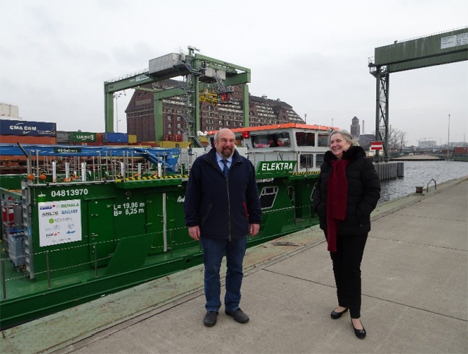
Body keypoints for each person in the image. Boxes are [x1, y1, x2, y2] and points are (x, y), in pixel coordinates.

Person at [184, 128, 261, 328]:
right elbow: (192, 196)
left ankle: (233, 306)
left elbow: (253, 195)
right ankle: (212, 307)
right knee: (212, 271)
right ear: (215, 143)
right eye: (223, 140)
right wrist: (192, 223)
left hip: (238, 228)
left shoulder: (244, 165)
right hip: (211, 229)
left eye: (231, 140)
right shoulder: (202, 164)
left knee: (236, 270)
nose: (228, 144)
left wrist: (255, 220)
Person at [312, 130, 380, 339]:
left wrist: (359, 213)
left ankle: (356, 316)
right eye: (332, 142)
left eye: (338, 141)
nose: (334, 144)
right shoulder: (328, 165)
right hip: (332, 226)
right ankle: (343, 303)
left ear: (349, 143)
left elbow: (373, 191)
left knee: (351, 269)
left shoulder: (362, 164)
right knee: (337, 266)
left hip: (355, 227)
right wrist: (320, 208)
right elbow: (318, 189)